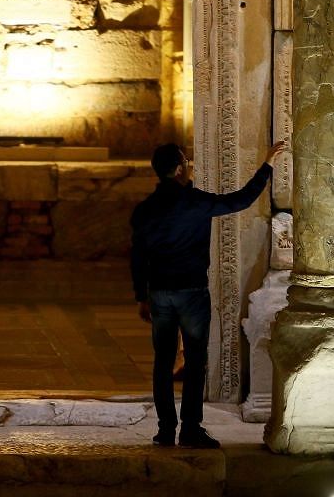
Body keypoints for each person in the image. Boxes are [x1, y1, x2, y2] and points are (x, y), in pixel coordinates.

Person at [130, 141, 285, 448]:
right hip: (191, 293)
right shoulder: (195, 202)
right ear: (177, 169)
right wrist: (267, 164)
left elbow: (137, 256)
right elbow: (241, 200)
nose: (189, 166)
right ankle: (189, 428)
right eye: (185, 162)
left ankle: (164, 430)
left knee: (162, 362)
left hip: (160, 293)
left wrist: (141, 296)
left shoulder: (145, 209)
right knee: (195, 359)